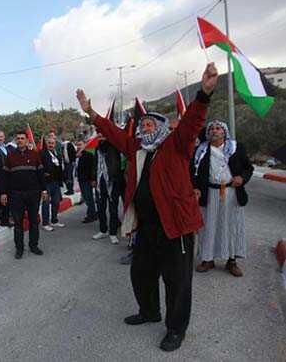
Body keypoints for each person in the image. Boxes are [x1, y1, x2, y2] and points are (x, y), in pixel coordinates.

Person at [76, 62, 219, 352]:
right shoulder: (136, 148)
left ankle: (176, 329)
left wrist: (204, 94)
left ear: (164, 127)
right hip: (147, 225)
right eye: (143, 124)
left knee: (177, 281)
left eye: (151, 123)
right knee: (140, 273)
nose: (146, 126)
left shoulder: (177, 144)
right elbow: (114, 133)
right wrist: (90, 112)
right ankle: (150, 311)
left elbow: (192, 122)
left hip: (175, 225)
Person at [192, 120, 253, 277]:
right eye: (211, 128)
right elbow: (192, 171)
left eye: (218, 128)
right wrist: (195, 187)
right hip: (209, 193)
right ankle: (207, 259)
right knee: (208, 226)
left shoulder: (236, 148)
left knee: (231, 226)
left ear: (224, 132)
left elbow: (248, 168)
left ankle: (231, 261)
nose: (214, 131)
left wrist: (242, 178)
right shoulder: (201, 151)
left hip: (231, 192)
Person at [0, 130, 48, 259]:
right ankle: (19, 249)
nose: (20, 140)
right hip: (16, 195)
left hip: (33, 194)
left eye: (22, 138)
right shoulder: (10, 157)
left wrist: (44, 190)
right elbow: (5, 177)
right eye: (18, 138)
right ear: (16, 141)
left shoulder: (35, 155)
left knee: (33, 221)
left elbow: (40, 174)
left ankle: (34, 246)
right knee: (18, 224)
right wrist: (3, 193)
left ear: (27, 140)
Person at [92, 136, 125, 244]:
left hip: (112, 182)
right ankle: (103, 230)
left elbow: (118, 164)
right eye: (99, 136)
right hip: (99, 182)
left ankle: (113, 233)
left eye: (103, 135)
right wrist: (93, 178)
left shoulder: (114, 147)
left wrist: (115, 177)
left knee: (113, 209)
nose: (101, 138)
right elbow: (95, 164)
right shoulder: (97, 149)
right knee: (101, 208)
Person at [40, 136, 65, 231]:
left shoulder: (57, 153)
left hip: (56, 182)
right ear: (46, 144)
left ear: (55, 144)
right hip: (46, 183)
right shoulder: (42, 154)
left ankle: (54, 220)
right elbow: (39, 167)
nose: (51, 145)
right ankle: (45, 223)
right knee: (46, 203)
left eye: (52, 143)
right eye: (49, 143)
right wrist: (43, 174)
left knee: (56, 202)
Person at [75, 140, 98, 223]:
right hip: (81, 180)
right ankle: (92, 213)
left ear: (84, 145)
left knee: (89, 197)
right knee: (85, 197)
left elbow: (93, 168)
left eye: (80, 144)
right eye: (77, 145)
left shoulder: (88, 155)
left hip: (87, 180)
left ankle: (91, 215)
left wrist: (93, 179)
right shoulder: (77, 155)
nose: (78, 146)